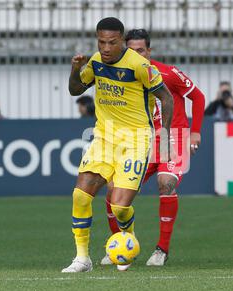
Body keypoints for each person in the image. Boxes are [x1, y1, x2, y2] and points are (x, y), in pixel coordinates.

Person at [63, 17, 174, 273]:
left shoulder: (139, 66)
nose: (105, 48)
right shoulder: (96, 61)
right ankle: (83, 259)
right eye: (101, 42)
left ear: (122, 41)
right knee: (80, 195)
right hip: (104, 137)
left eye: (111, 42)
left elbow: (166, 98)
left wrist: (164, 134)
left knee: (119, 206)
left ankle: (127, 238)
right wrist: (75, 69)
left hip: (135, 140)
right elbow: (75, 90)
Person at [101, 29, 206, 266]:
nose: (137, 54)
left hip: (174, 136)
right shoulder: (122, 75)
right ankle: (119, 244)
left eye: (141, 50)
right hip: (141, 140)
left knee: (165, 183)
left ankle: (161, 250)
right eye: (132, 50)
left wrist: (196, 132)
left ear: (149, 51)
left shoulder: (168, 73)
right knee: (113, 191)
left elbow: (198, 97)